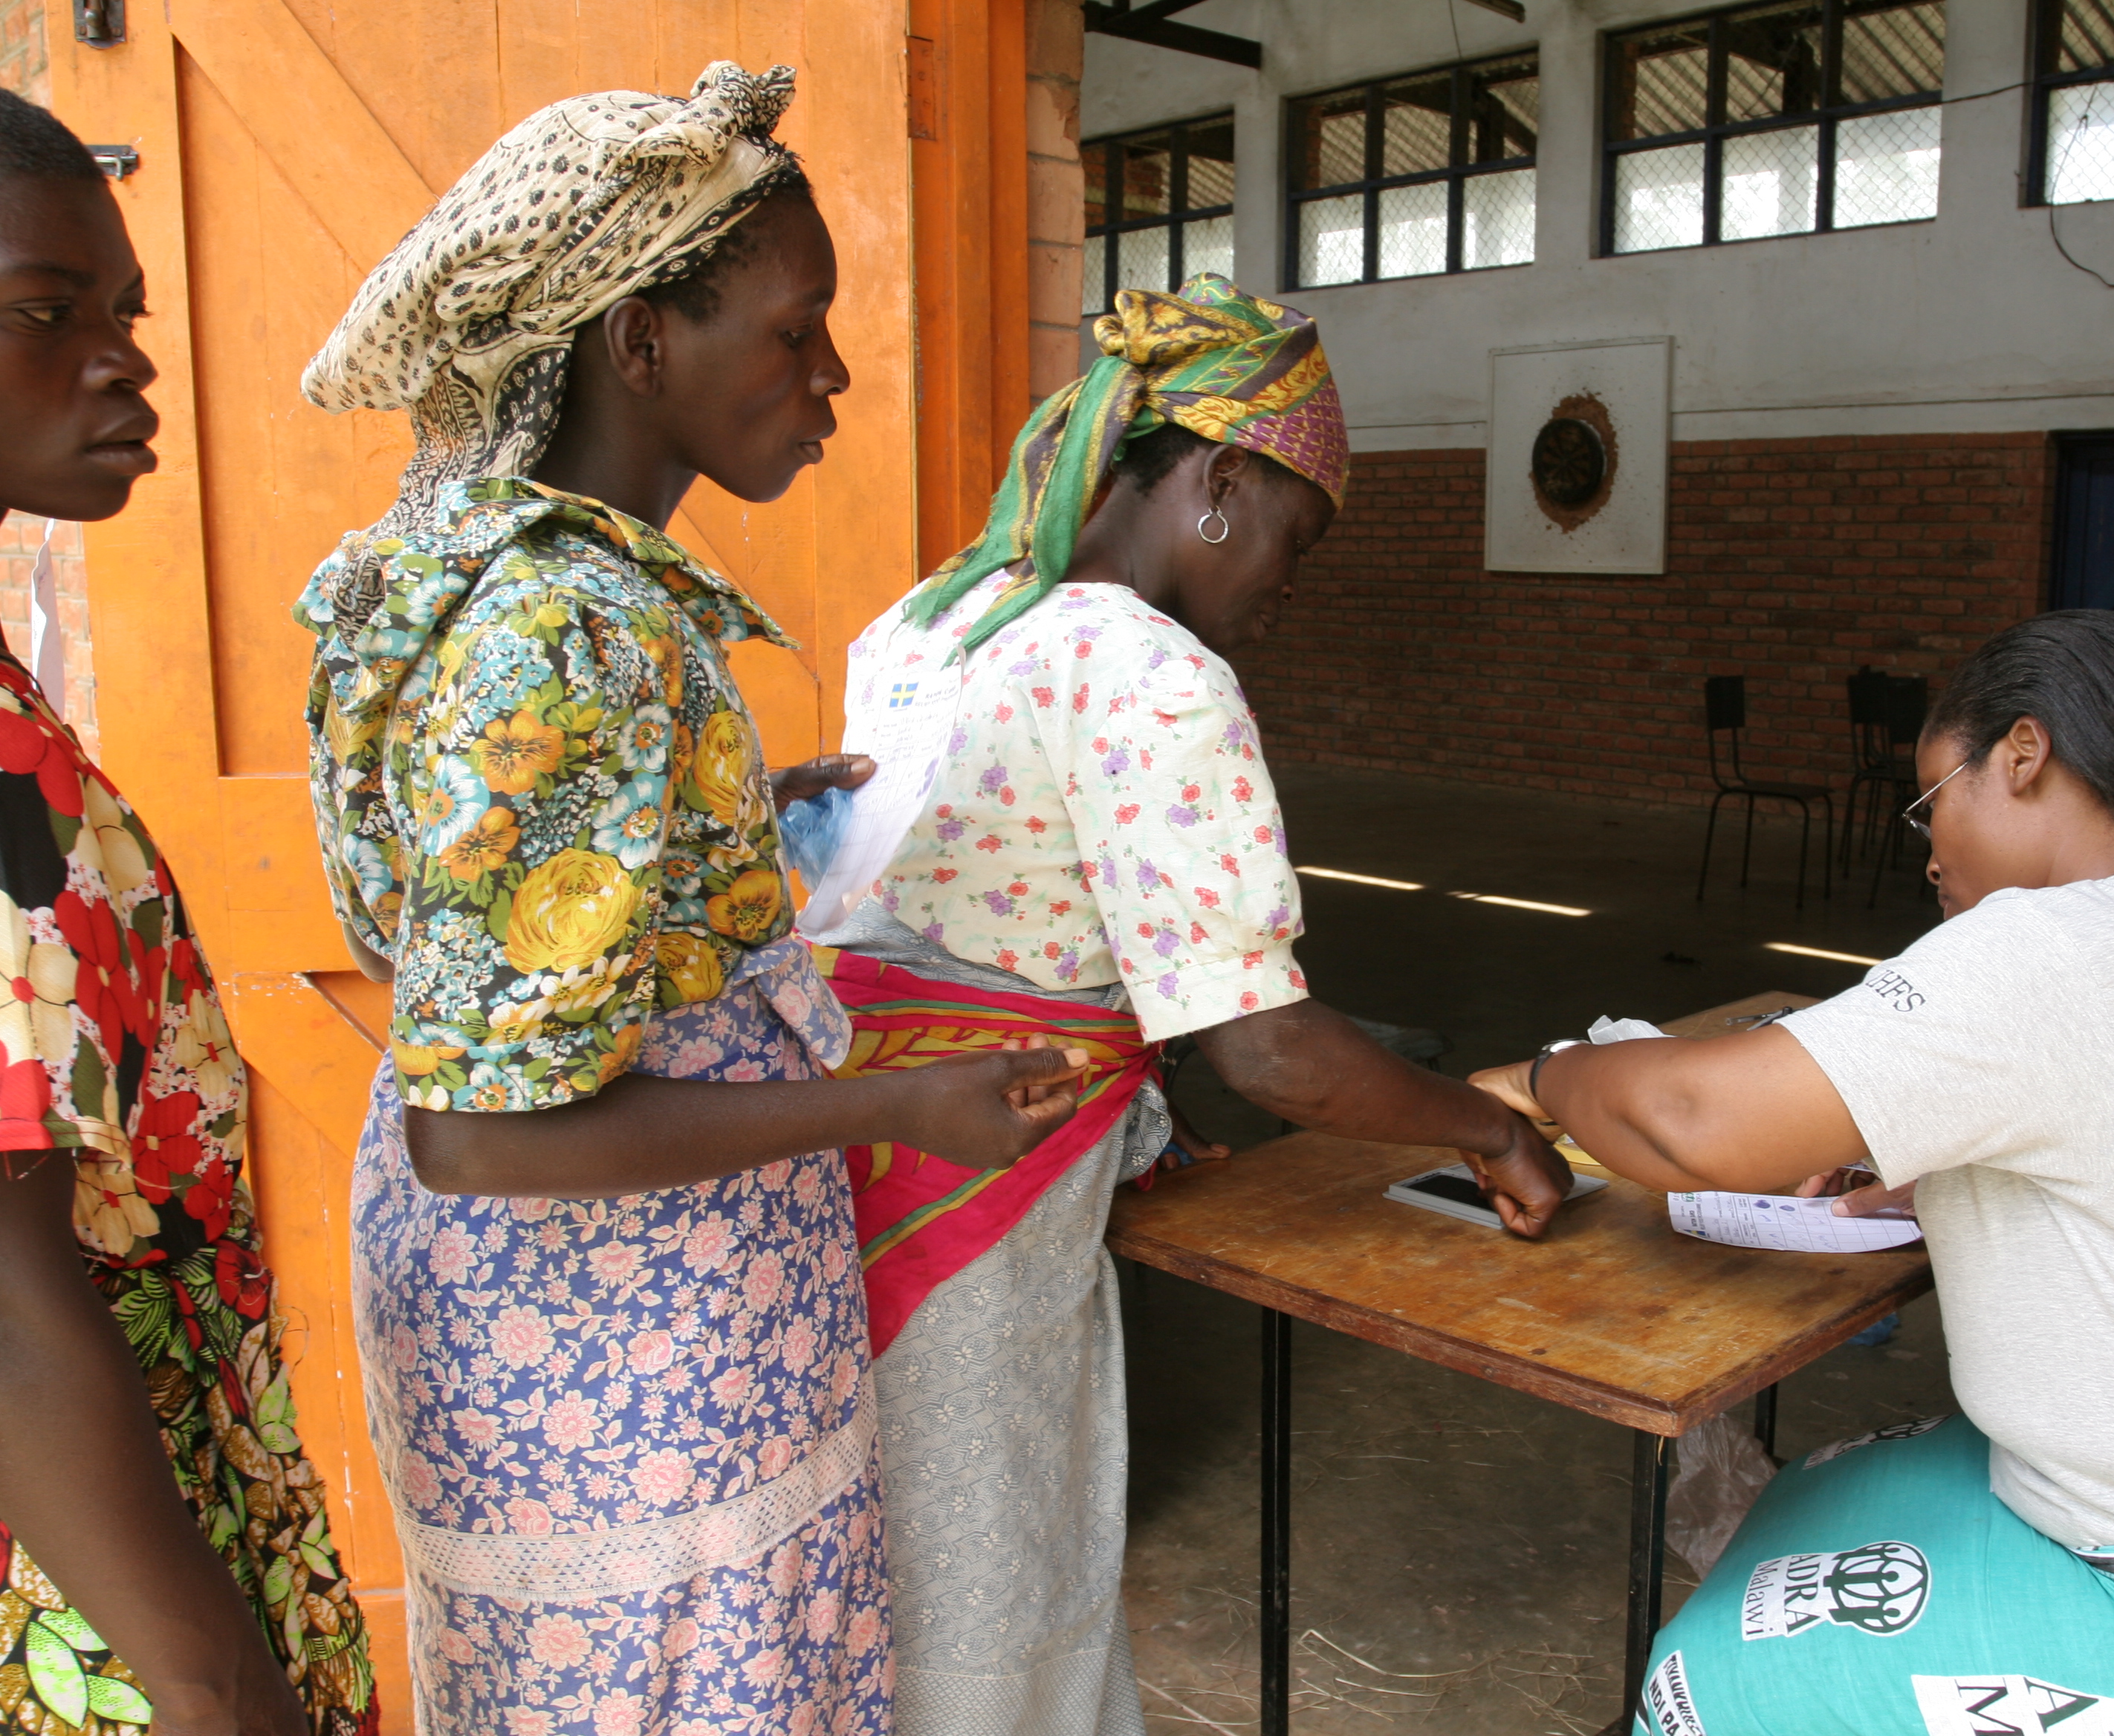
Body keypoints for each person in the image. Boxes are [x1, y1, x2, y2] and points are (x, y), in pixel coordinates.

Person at [295, 65, 1086, 1736]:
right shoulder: (565, 637)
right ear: (639, 343)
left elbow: (515, 914)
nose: (834, 375)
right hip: (618, 1343)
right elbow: (486, 1132)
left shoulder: (525, 587)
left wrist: (755, 833)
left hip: (613, 1332)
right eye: (795, 330)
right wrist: (902, 1101)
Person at [782, 275, 1573, 1735]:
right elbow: (1266, 1042)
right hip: (983, 1214)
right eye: (1297, 534)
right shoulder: (1150, 670)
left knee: (872, 1580)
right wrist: (1488, 1127)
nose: (1293, 579)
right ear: (1216, 481)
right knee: (989, 1597)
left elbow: (964, 920)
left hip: (848, 1185)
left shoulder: (927, 619)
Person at [1476, 612, 2114, 1736]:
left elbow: (1695, 1116)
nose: (1931, 850)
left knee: (1698, 1681)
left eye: (1933, 799)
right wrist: (1929, 1158)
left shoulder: (2054, 943)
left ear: (2025, 756)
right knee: (1805, 1496)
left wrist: (1553, 1074)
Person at [0, 90, 378, 1736]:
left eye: (125, 311)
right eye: (45, 309)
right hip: (86, 1605)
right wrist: (229, 1697)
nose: (123, 358)